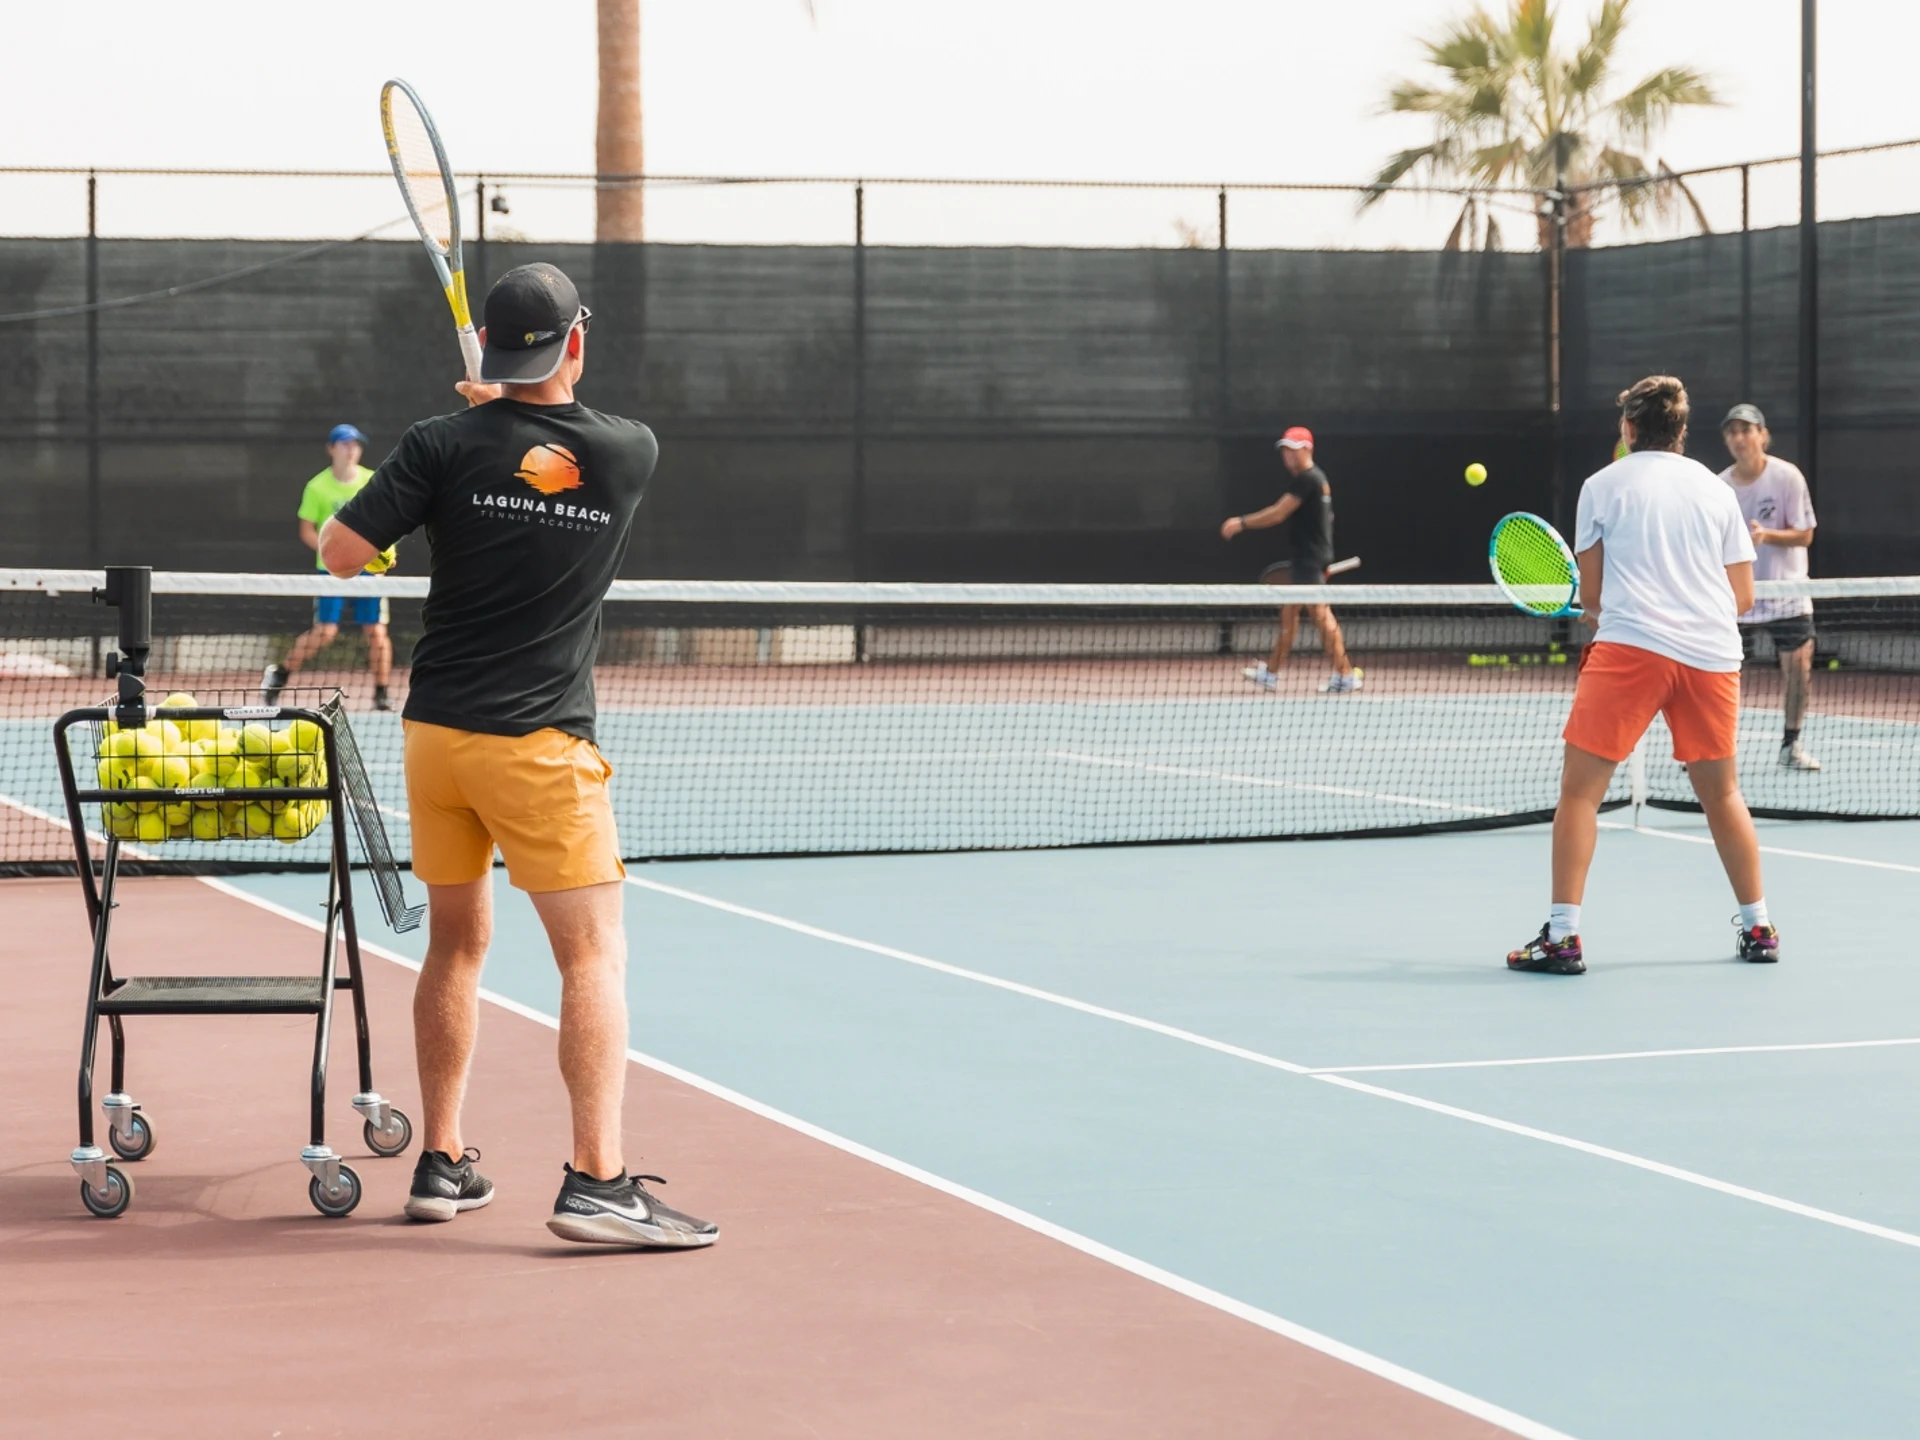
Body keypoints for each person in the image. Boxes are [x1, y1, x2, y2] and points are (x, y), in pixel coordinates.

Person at [318, 262, 717, 1249]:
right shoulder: (630, 452)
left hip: (438, 741)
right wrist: (499, 414)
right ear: (574, 343)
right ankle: (599, 1181)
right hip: (538, 749)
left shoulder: (439, 445)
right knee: (593, 956)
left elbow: (337, 549)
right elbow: (549, 433)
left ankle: (442, 1159)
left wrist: (464, 434)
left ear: (491, 348)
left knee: (456, 944)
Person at [1508, 375, 1779, 975]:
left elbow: (1595, 595)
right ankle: (1759, 927)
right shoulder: (1715, 492)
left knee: (1579, 795)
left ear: (1629, 429)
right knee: (1724, 794)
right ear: (1681, 431)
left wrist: (1608, 609)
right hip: (1712, 657)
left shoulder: (1601, 486)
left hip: (1631, 652)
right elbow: (1741, 596)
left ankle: (1562, 938)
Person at [262, 423, 396, 711]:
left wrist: (381, 555)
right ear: (331, 448)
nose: (352, 449)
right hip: (331, 571)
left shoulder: (372, 481)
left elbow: (388, 521)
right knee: (325, 632)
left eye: (356, 444)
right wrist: (334, 554)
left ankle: (382, 693)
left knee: (376, 632)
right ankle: (280, 675)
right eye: (345, 443)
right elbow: (307, 530)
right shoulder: (317, 486)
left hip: (368, 571)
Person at [1219, 426, 1360, 693]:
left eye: (1293, 450)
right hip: (1309, 559)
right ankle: (1271, 673)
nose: (1288, 456)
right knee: (1289, 616)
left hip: (1309, 561)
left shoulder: (1308, 479)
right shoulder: (1319, 480)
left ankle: (1345, 674)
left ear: (1307, 449)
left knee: (1320, 615)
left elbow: (1278, 513)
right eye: (1285, 450)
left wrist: (1242, 522)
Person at [1719, 403, 1821, 770]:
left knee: (1798, 667)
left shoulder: (1786, 477)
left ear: (1763, 435)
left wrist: (1767, 536)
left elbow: (1805, 534)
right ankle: (1712, 746)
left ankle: (1790, 746)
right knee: (1717, 672)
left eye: (1746, 429)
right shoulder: (1720, 486)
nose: (1739, 437)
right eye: (1732, 431)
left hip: (1786, 595)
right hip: (1737, 597)